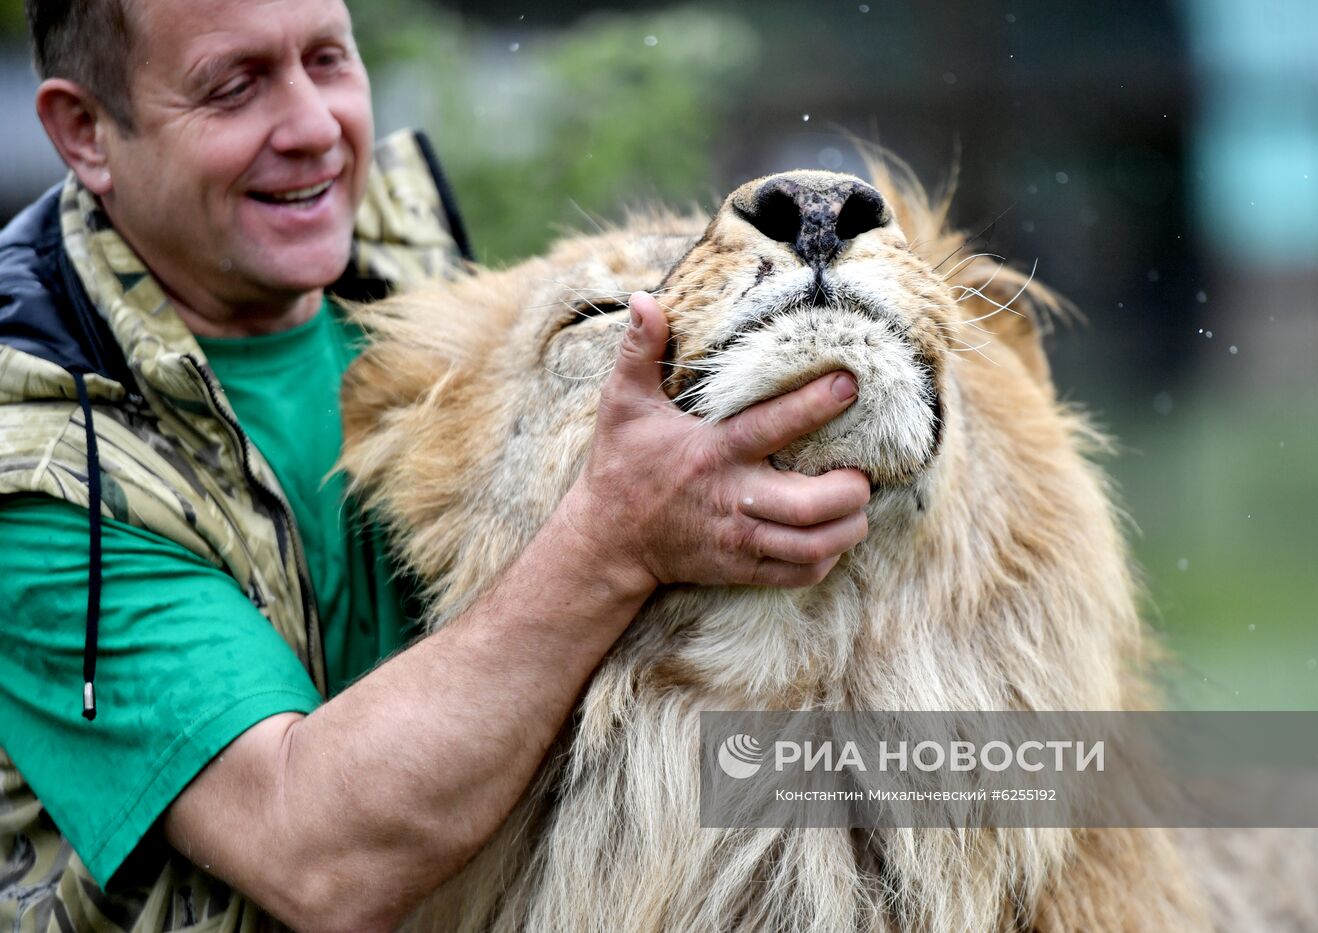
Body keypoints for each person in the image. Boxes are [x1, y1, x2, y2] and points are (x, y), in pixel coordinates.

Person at [0, 1, 871, 930]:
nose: (313, 128)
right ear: (84, 131)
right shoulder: (37, 461)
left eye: (328, 59)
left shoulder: (403, 258)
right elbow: (318, 859)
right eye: (234, 87)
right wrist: (616, 536)